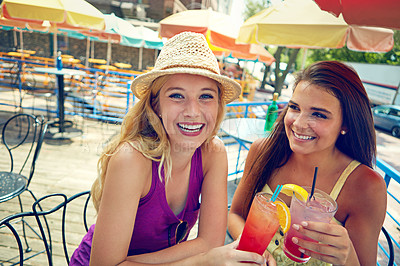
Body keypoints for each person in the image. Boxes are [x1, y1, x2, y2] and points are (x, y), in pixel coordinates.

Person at [70, 32, 269, 266]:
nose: (193, 111)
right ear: (156, 105)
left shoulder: (213, 153)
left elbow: (210, 242)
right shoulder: (132, 159)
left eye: (206, 96)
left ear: (218, 105)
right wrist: (200, 261)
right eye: (177, 95)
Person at [228, 61, 387, 265]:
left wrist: (347, 256)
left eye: (319, 114)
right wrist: (254, 251)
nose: (299, 123)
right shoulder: (263, 150)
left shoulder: (366, 186)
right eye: (295, 107)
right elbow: (235, 214)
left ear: (345, 123)